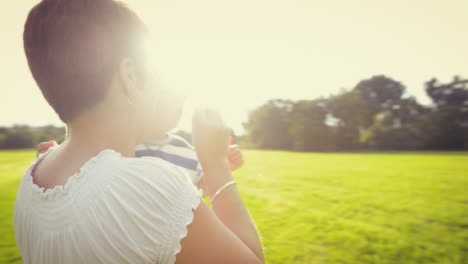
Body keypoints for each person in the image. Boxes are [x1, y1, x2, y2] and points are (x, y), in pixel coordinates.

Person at [15, 0, 264, 263]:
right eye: (154, 70)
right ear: (130, 76)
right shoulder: (146, 185)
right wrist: (216, 164)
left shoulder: (30, 183)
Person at [37, 91, 245, 196]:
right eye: (166, 103)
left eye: (178, 106)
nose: (174, 111)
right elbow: (84, 175)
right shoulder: (119, 144)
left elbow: (199, 188)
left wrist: (222, 166)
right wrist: (56, 156)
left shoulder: (184, 148)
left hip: (178, 238)